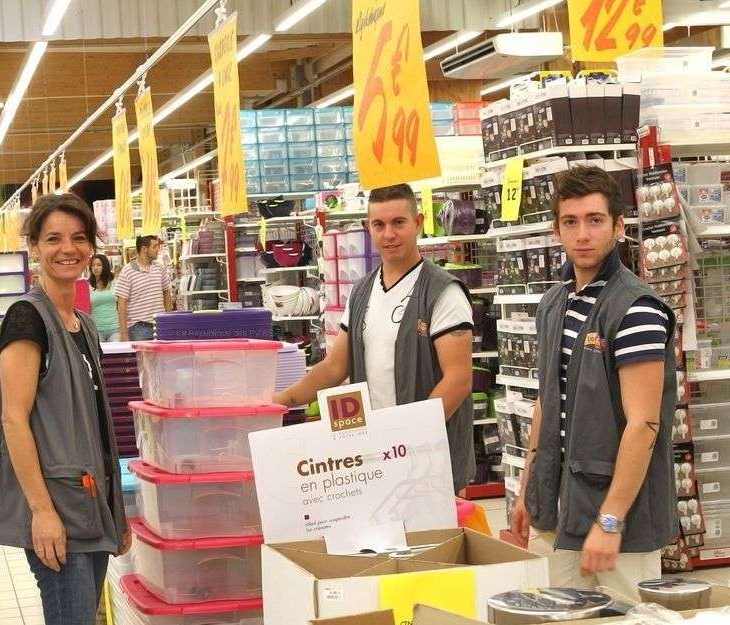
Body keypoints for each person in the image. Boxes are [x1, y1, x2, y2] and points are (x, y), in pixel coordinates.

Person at [510, 166, 678, 598]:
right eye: (571, 222)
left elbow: (644, 425)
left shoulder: (636, 309)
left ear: (619, 227)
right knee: (561, 614)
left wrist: (610, 519)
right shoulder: (553, 304)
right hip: (561, 512)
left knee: (630, 616)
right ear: (557, 230)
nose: (582, 234)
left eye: (595, 220)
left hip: (621, 519)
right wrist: (530, 489)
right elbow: (548, 402)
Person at [272, 183, 476, 493]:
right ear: (369, 228)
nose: (389, 234)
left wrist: (410, 439)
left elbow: (458, 380)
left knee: (430, 541)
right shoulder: (362, 291)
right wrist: (279, 402)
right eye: (379, 225)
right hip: (377, 456)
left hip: (429, 459)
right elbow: (334, 368)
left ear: (418, 223)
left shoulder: (442, 292)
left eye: (399, 223)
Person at [0, 193, 128, 625]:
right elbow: (13, 419)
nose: (68, 249)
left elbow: (96, 426)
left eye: (79, 238)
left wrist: (116, 511)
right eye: (53, 239)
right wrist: (42, 511)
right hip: (56, 508)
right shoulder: (26, 319)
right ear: (34, 247)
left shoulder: (82, 323)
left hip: (91, 504)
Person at [114, 235, 172, 341]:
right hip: (138, 328)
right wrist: (123, 332)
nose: (158, 250)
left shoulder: (159, 268)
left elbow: (167, 292)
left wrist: (168, 319)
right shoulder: (128, 271)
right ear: (144, 249)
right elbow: (121, 303)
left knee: (163, 357)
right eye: (154, 247)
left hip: (160, 325)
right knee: (141, 358)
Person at [89, 254, 120, 342]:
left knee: (117, 354)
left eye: (99, 265)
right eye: (93, 265)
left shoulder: (115, 282)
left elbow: (121, 304)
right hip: (96, 330)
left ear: (105, 266)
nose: (95, 268)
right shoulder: (88, 285)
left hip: (115, 329)